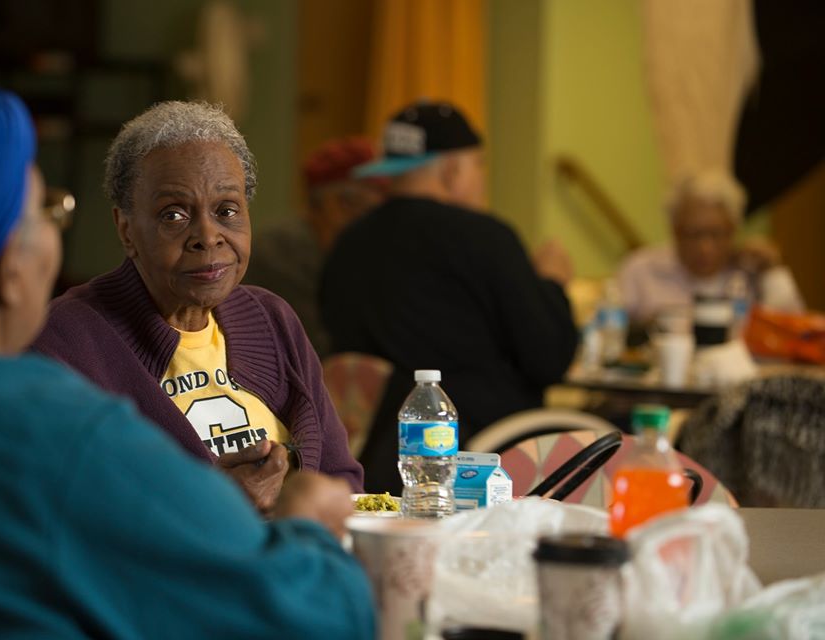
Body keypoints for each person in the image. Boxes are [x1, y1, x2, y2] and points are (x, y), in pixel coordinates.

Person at [0, 75, 374, 638]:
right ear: (9, 266)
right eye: (46, 210)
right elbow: (312, 613)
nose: (208, 236)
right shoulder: (64, 431)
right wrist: (301, 527)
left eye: (227, 209)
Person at [32, 101, 363, 511]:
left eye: (227, 211)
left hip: (298, 563)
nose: (208, 236)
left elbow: (342, 479)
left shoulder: (273, 319)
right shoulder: (66, 340)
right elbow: (57, 512)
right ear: (126, 229)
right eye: (173, 215)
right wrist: (208, 505)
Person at [320, 100, 579, 493]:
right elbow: (549, 359)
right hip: (481, 455)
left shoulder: (347, 243)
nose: (480, 178)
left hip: (370, 453)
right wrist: (553, 286)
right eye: (479, 166)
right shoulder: (485, 238)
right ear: (453, 169)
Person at [243, 136, 386, 358]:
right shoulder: (282, 250)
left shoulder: (347, 250)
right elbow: (310, 346)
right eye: (360, 205)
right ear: (325, 202)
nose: (368, 220)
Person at [618, 171, 805, 325]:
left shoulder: (751, 271)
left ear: (734, 229)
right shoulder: (640, 270)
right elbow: (607, 334)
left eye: (717, 234)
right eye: (693, 234)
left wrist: (773, 271)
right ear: (675, 231)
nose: (705, 248)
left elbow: (799, 331)